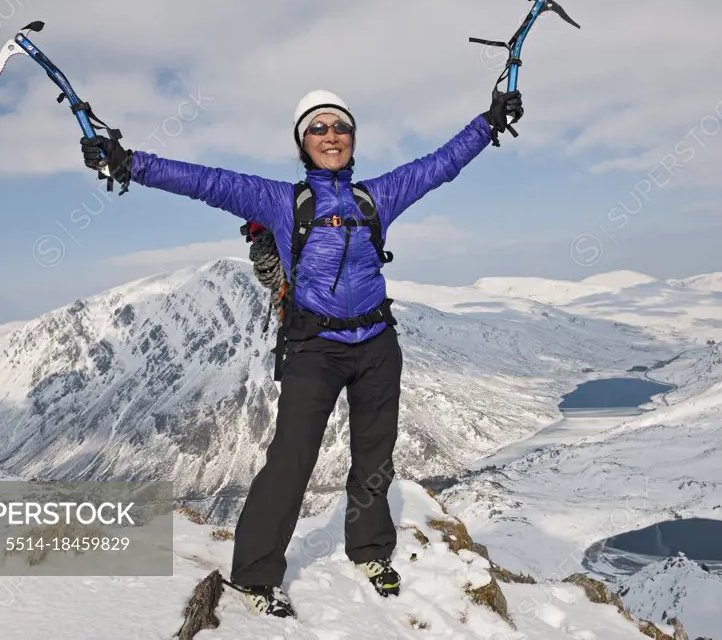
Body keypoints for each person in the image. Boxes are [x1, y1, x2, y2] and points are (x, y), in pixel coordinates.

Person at [80, 88, 523, 618]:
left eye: (340, 127)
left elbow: (439, 165)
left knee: (375, 457)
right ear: (302, 143)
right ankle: (255, 575)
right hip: (315, 347)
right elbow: (205, 181)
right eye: (319, 128)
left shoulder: (375, 196)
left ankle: (370, 551)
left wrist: (488, 123)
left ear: (353, 139)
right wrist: (129, 163)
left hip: (378, 343)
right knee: (290, 461)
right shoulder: (281, 202)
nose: (331, 135)